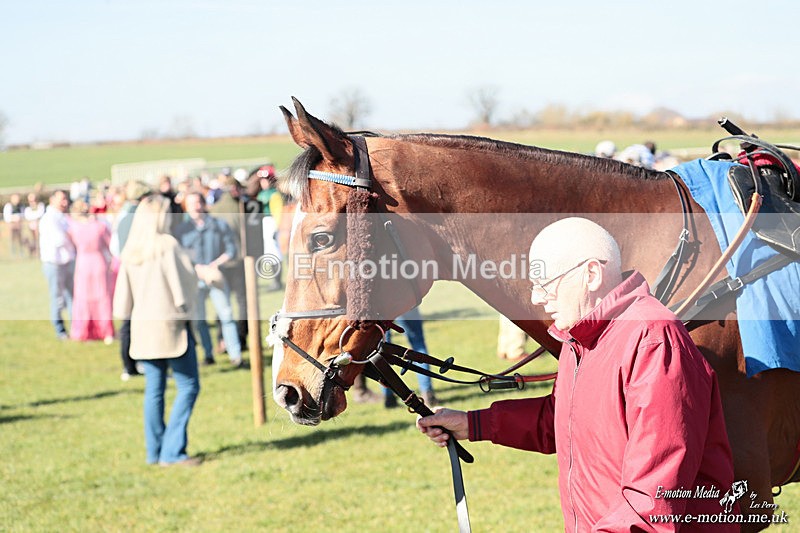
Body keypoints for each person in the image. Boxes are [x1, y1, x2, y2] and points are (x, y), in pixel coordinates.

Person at [417, 217, 736, 531]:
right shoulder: (577, 339)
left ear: (592, 274)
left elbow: (653, 496)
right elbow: (560, 420)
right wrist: (472, 423)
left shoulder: (653, 339)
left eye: (545, 284)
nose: (536, 298)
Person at [113, 195, 201, 466]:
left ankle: (155, 452)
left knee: (154, 390)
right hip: (171, 327)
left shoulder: (131, 250)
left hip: (142, 328)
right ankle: (172, 452)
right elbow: (183, 289)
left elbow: (121, 303)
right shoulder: (167, 245)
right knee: (188, 386)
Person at [175, 191, 243, 367]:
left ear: (203, 204)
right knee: (199, 320)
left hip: (216, 277)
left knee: (226, 315)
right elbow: (180, 255)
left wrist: (216, 264)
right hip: (194, 279)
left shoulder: (219, 225)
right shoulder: (182, 231)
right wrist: (195, 267)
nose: (195, 207)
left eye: (197, 202)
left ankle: (235, 355)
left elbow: (231, 250)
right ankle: (208, 354)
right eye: (190, 204)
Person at [111, 181, 152, 380]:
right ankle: (143, 362)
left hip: (127, 270)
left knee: (128, 320)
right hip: (142, 272)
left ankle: (129, 365)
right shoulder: (142, 218)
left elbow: (116, 248)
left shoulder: (123, 217)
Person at [67, 199, 115, 343]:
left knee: (83, 297)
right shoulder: (99, 226)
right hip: (98, 261)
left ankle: (85, 330)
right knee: (102, 296)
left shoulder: (73, 228)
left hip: (83, 263)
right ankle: (105, 331)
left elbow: (71, 245)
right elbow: (109, 243)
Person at [38, 190, 76, 340]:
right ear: (52, 199)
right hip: (54, 264)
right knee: (57, 298)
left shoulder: (63, 217)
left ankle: (76, 328)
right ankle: (60, 330)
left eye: (66, 199)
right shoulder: (49, 218)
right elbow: (60, 240)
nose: (65, 203)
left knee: (72, 296)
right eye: (61, 199)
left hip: (67, 261)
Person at [383, 307, 438, 408]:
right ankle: (427, 394)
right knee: (418, 345)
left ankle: (388, 397)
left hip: (381, 305)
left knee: (383, 350)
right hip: (403, 300)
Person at [23, 192, 45, 257]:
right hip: (31, 228)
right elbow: (28, 217)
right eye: (31, 201)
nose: (33, 202)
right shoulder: (27, 209)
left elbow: (40, 214)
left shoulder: (41, 206)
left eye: (34, 200)